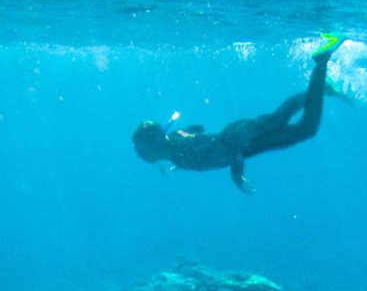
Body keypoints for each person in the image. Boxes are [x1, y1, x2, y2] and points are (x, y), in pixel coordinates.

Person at [132, 34, 347, 193]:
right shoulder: (177, 146)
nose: (140, 155)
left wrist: (237, 176)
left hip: (241, 139)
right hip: (240, 138)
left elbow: (225, 150)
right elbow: (198, 132)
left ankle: (322, 64)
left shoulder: (181, 155)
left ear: (153, 147)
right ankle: (320, 83)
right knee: (290, 122)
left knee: (299, 125)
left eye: (141, 150)